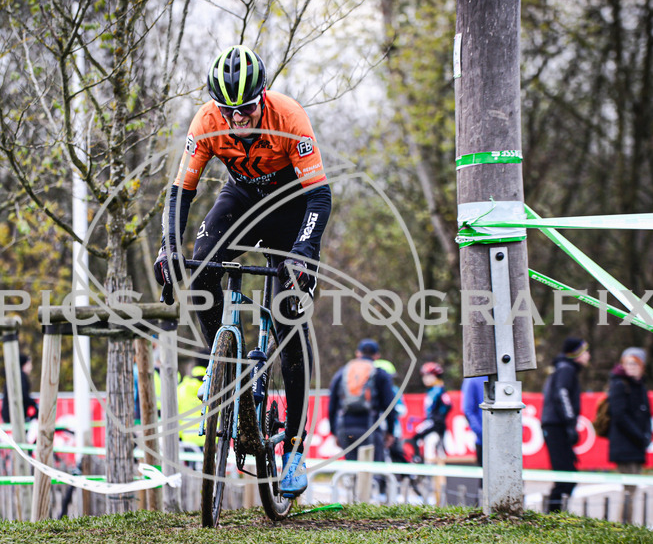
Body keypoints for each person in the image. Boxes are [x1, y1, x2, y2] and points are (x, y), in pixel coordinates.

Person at [153, 45, 332, 497]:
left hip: (291, 205)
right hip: (240, 199)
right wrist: (168, 248)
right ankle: (224, 370)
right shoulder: (206, 121)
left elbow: (319, 196)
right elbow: (181, 193)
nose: (237, 119)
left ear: (263, 96)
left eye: (246, 108)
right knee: (198, 272)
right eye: (227, 110)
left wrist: (303, 251)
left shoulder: (289, 116)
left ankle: (294, 447)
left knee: (288, 316)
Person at [328, 339, 399, 469]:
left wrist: (334, 432)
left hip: (345, 428)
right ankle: (377, 489)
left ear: (357, 353)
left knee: (353, 470)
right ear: (377, 356)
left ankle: (354, 489)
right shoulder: (380, 374)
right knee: (374, 471)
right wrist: (390, 431)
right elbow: (390, 405)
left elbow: (332, 405)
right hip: (370, 428)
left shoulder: (342, 373)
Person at [541, 337, 590, 512]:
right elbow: (561, 395)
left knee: (567, 476)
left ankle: (555, 513)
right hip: (556, 426)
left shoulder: (562, 369)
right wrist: (570, 423)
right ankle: (553, 516)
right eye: (585, 351)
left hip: (556, 425)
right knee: (566, 477)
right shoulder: (566, 370)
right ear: (576, 354)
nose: (588, 356)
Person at [606, 347, 653, 524]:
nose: (631, 367)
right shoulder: (620, 385)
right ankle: (625, 524)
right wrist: (639, 436)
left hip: (637, 445)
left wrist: (647, 435)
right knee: (629, 488)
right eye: (627, 363)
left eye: (635, 363)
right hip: (625, 444)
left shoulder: (640, 386)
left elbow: (647, 414)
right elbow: (619, 415)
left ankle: (627, 523)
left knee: (632, 488)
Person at [411, 361, 451, 462]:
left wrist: (436, 419)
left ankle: (418, 462)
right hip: (434, 423)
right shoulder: (433, 390)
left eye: (427, 375)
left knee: (424, 443)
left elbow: (448, 405)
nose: (424, 378)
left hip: (436, 424)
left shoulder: (438, 390)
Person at [2, 354, 38, 426]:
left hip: (10, 413)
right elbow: (23, 395)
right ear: (24, 365)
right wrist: (34, 403)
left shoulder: (15, 376)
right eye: (29, 364)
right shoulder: (20, 377)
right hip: (14, 414)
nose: (31, 367)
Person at [461, 375, 488, 466]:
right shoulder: (473, 378)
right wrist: (482, 434)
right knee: (487, 478)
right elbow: (468, 410)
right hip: (484, 442)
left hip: (508, 441)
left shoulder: (505, 374)